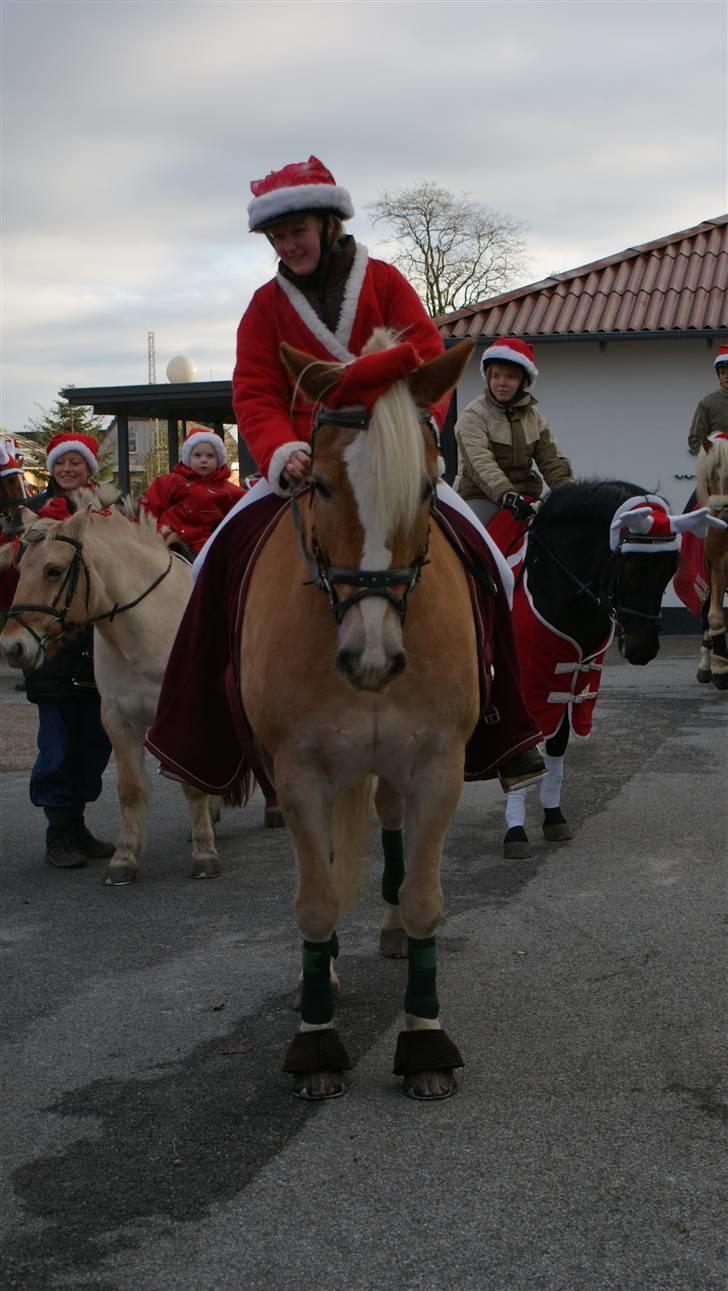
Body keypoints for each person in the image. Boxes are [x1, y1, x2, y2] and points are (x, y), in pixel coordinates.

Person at [147, 156, 545, 794]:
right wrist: (279, 451)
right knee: (208, 569)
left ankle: (504, 720)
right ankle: (214, 732)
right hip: (307, 462)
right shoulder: (263, 307)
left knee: (491, 566)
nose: (287, 245)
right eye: (277, 237)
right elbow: (254, 390)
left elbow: (426, 363)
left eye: (296, 230)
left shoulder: (385, 282)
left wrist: (409, 443)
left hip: (389, 456)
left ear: (328, 223)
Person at [1, 433, 113, 868]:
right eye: (61, 463)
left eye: (76, 463)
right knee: (57, 744)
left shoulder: (105, 510)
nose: (68, 470)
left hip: (98, 646)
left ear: (89, 470)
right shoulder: (37, 519)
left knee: (94, 742)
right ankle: (58, 833)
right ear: (51, 469)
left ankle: (78, 825)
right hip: (55, 648)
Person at [454, 336, 574, 529]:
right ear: (488, 378)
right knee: (471, 541)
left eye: (510, 376)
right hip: (481, 497)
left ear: (523, 381)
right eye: (495, 375)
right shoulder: (473, 414)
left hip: (526, 498)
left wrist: (567, 491)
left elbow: (551, 459)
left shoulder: (534, 417)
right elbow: (480, 464)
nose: (501, 382)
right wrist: (506, 495)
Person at [139, 428, 246, 556]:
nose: (204, 460)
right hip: (167, 535)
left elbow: (244, 514)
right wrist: (143, 527)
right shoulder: (173, 482)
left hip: (203, 544)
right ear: (188, 458)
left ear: (219, 460)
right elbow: (151, 504)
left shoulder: (228, 491)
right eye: (197, 455)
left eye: (210, 456)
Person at [687, 345, 728, 456]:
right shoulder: (707, 403)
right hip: (717, 466)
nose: (726, 376)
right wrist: (712, 455)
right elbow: (694, 440)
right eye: (723, 373)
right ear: (718, 376)